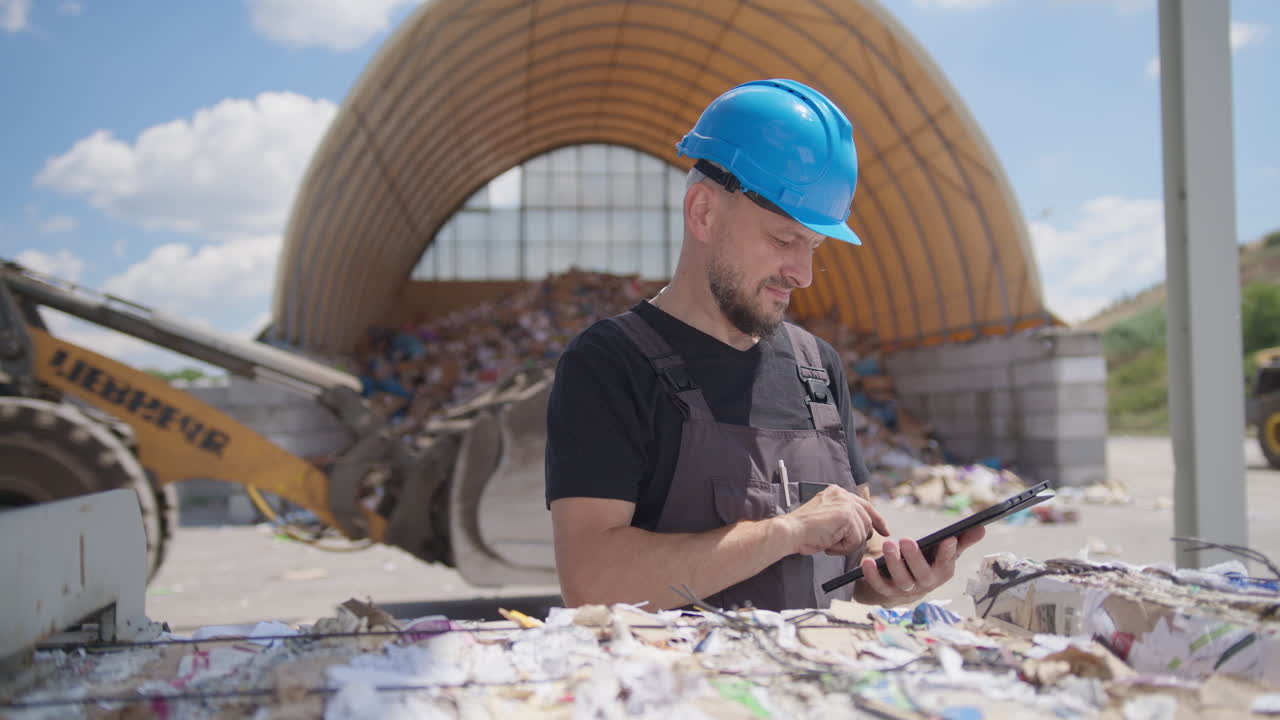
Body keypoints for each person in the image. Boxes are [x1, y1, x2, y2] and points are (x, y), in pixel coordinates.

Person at [544, 79, 984, 612]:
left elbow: (852, 558)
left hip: (798, 686)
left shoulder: (817, 370)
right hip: (679, 690)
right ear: (703, 212)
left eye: (815, 246)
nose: (804, 274)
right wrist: (786, 531)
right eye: (783, 240)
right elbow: (592, 583)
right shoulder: (609, 364)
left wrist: (891, 575)